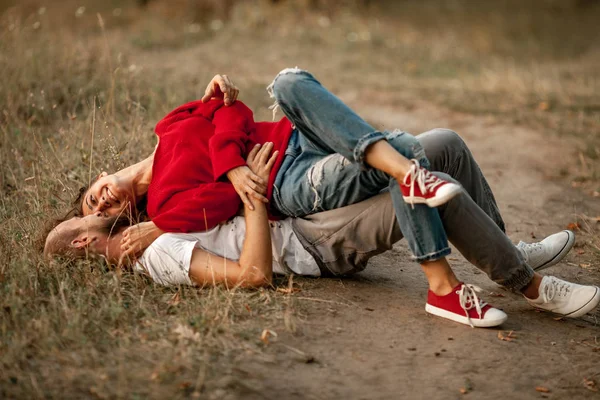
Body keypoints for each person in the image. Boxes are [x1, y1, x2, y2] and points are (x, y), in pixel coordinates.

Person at [45, 128, 600, 328]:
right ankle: (528, 284)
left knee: (441, 145)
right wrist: (254, 196)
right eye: (83, 216)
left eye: (91, 199)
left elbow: (183, 155)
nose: (94, 207)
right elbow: (253, 274)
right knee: (416, 184)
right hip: (314, 244)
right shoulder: (153, 255)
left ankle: (506, 250)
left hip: (305, 211)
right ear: (87, 241)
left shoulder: (156, 212)